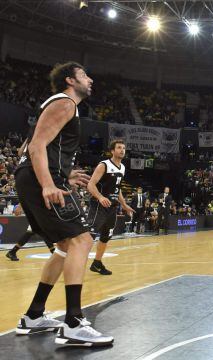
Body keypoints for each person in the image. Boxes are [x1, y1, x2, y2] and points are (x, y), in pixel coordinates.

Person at [14, 62, 113, 345]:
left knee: (63, 248)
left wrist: (64, 171)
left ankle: (33, 315)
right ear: (70, 80)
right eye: (84, 75)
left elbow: (33, 145)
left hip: (31, 177)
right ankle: (73, 322)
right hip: (38, 180)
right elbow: (35, 147)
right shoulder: (66, 102)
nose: (90, 78)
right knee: (82, 240)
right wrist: (48, 182)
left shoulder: (59, 104)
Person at [85, 140, 134, 275]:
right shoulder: (104, 165)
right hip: (98, 205)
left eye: (124, 148)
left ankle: (97, 263)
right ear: (112, 151)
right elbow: (90, 185)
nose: (122, 150)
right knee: (90, 236)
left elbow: (117, 189)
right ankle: (76, 265)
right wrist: (100, 197)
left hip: (112, 207)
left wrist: (124, 205)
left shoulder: (122, 168)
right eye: (119, 148)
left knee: (106, 236)